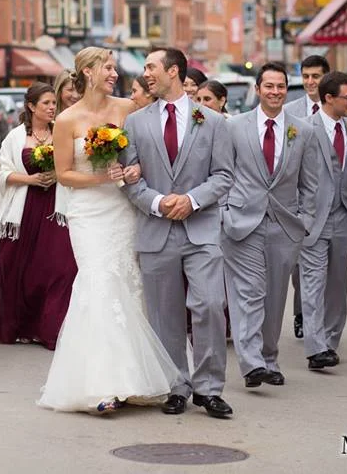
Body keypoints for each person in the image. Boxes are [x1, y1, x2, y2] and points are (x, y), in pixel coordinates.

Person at [38, 46, 179, 414]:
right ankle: (98, 385)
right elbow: (64, 174)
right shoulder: (67, 119)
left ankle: (133, 380)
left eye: (115, 68)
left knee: (128, 285)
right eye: (109, 67)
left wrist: (134, 171)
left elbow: (143, 156)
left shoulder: (126, 109)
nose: (115, 74)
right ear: (87, 71)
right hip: (87, 212)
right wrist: (101, 176)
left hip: (122, 209)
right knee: (98, 282)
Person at [121, 48, 233, 419]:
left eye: (151, 67)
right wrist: (156, 203)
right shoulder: (135, 123)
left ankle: (209, 387)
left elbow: (223, 176)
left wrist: (192, 200)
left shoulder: (212, 121)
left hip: (200, 230)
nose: (146, 74)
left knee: (209, 305)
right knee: (164, 314)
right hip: (156, 228)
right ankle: (176, 385)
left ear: (173, 71)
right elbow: (129, 178)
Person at [220, 63, 320, 389]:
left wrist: (303, 220)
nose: (275, 92)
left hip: (284, 226)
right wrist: (224, 212)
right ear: (258, 89)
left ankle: (269, 358)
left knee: (275, 297)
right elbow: (223, 173)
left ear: (286, 90)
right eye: (269, 86)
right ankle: (251, 365)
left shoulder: (302, 131)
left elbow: (311, 183)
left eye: (280, 86)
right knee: (249, 293)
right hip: (241, 222)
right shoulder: (235, 127)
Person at [0, 83, 77, 350]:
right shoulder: (14, 137)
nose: (51, 108)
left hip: (56, 209)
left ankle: (51, 328)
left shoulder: (63, 132)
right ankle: (23, 326)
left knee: (60, 268)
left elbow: (75, 165)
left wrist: (58, 176)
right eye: (45, 103)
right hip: (23, 209)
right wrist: (29, 179)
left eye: (53, 104)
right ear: (32, 106)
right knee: (21, 269)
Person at [300, 72, 347, 372]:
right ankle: (316, 349)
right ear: (329, 98)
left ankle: (330, 341)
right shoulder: (305, 129)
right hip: (314, 218)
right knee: (312, 283)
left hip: (345, 217)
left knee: (338, 285)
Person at [282, 54, 329, 339]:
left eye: (316, 76)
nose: (311, 82)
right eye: (306, 76)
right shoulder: (291, 111)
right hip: (299, 200)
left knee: (328, 272)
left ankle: (323, 321)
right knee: (300, 267)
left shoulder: (346, 110)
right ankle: (302, 313)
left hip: (334, 202)